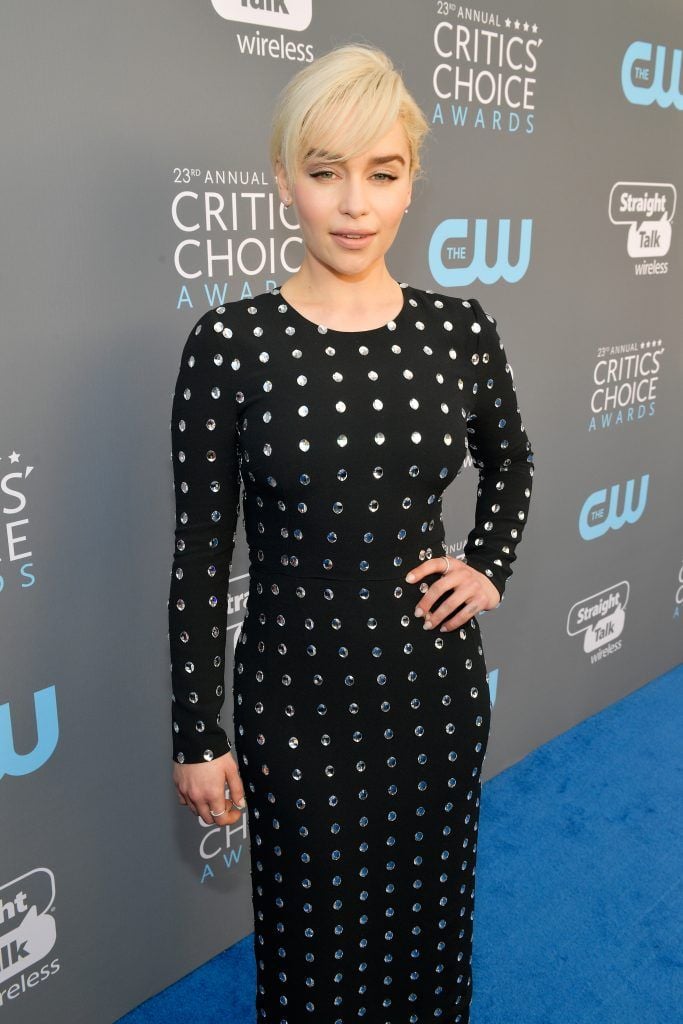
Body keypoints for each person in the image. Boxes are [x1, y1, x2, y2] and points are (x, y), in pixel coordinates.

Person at [168, 42, 535, 1024]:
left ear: (412, 181)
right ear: (284, 179)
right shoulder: (230, 343)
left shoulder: (459, 329)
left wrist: (486, 564)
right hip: (296, 699)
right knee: (311, 946)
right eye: (326, 173)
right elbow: (201, 556)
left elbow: (514, 462)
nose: (354, 203)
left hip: (433, 690)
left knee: (427, 926)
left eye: (381, 172)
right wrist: (198, 733)